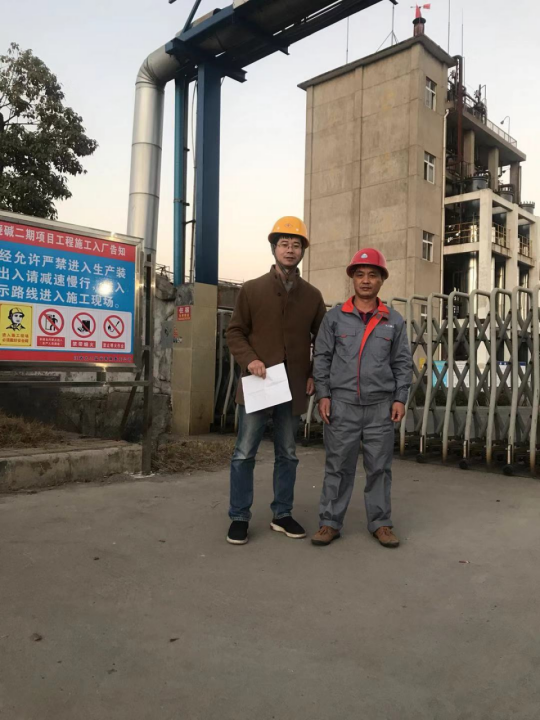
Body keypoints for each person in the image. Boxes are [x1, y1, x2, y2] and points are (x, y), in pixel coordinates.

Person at [225, 216, 327, 545]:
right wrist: (250, 359)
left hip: (293, 386)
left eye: (296, 245)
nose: (290, 249)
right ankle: (239, 517)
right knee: (244, 453)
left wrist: (313, 374)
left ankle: (282, 514)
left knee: (288, 453)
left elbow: (324, 342)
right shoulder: (252, 290)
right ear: (274, 248)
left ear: (303, 251)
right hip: (259, 383)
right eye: (284, 244)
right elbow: (235, 332)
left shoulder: (312, 296)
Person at [311, 249, 413, 548]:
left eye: (372, 275)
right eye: (360, 275)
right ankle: (330, 522)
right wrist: (323, 395)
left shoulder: (393, 320)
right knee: (337, 466)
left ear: (382, 280)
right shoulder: (334, 318)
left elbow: (402, 362)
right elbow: (322, 358)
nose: (366, 280)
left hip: (380, 407)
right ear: (352, 279)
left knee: (379, 468)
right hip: (342, 406)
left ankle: (381, 523)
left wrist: (400, 398)